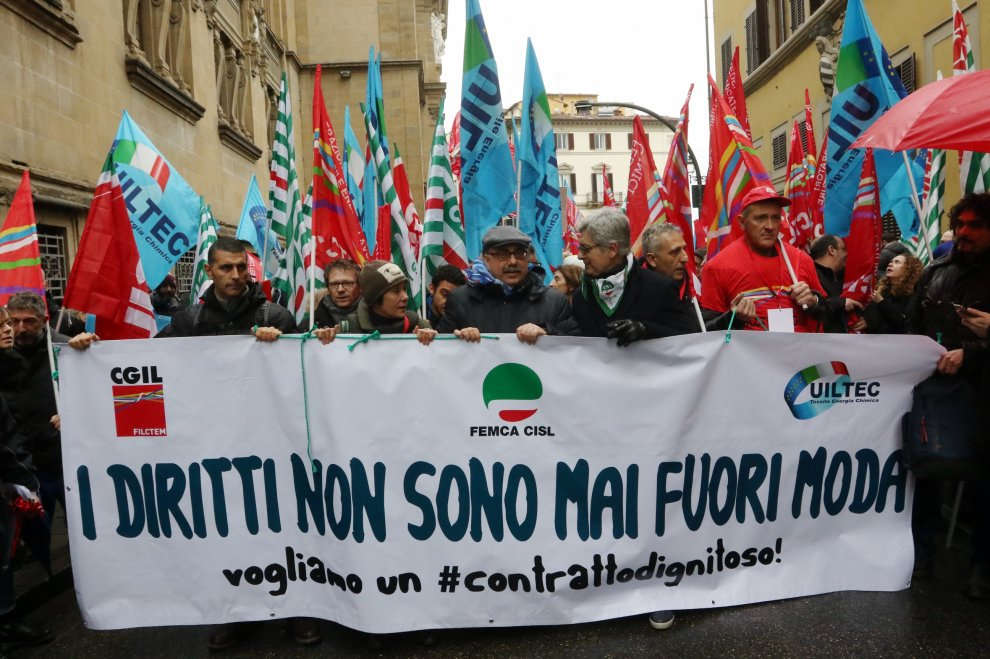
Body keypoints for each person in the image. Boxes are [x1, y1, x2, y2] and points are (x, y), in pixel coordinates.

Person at [907, 192, 990, 597]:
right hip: (937, 395)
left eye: (975, 225)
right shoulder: (935, 272)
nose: (964, 233)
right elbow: (912, 328)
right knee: (926, 472)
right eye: (960, 224)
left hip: (984, 397)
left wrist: (975, 351)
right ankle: (921, 556)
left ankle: (982, 569)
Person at [700, 186, 825, 332]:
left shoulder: (801, 259)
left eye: (776, 218)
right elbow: (706, 331)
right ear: (741, 222)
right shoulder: (717, 267)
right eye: (760, 218)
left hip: (798, 352)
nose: (770, 226)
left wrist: (813, 302)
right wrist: (734, 318)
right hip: (746, 354)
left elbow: (827, 315)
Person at [572, 209, 695, 346]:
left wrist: (645, 330)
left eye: (585, 248)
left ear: (612, 249)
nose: (579, 255)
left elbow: (689, 340)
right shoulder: (581, 295)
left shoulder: (659, 288)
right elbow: (574, 342)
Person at [438, 226, 577, 343]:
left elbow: (576, 346)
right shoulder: (460, 299)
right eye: (503, 254)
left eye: (519, 253)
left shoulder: (554, 301)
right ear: (487, 259)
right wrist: (458, 339)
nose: (512, 261)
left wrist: (547, 334)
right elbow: (443, 352)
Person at [0, 293, 67, 525]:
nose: (20, 328)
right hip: (23, 466)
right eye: (13, 321)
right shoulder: (4, 355)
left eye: (29, 321)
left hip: (62, 461)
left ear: (44, 319)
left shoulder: (65, 350)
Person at [155, 237, 298, 338]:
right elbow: (155, 358)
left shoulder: (276, 318)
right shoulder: (188, 321)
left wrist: (279, 342)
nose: (236, 275)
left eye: (241, 267)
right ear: (209, 271)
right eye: (226, 268)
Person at [337, 261, 436, 345]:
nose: (405, 297)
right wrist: (326, 337)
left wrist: (430, 340)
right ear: (375, 298)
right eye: (396, 291)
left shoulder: (416, 325)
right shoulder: (349, 329)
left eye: (404, 289)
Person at [810, 235, 862, 333]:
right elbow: (811, 305)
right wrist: (841, 303)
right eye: (843, 249)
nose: (847, 254)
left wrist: (866, 320)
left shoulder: (844, 277)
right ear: (831, 250)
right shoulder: (810, 274)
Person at [860, 253, 922, 334]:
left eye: (897, 262)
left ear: (908, 269)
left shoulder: (913, 292)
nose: (890, 264)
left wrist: (881, 302)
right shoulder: (881, 288)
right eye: (891, 262)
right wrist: (868, 321)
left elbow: (902, 322)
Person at [314, 258, 362, 329]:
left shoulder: (377, 319)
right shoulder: (310, 324)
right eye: (334, 284)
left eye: (347, 283)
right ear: (327, 288)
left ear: (360, 286)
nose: (340, 289)